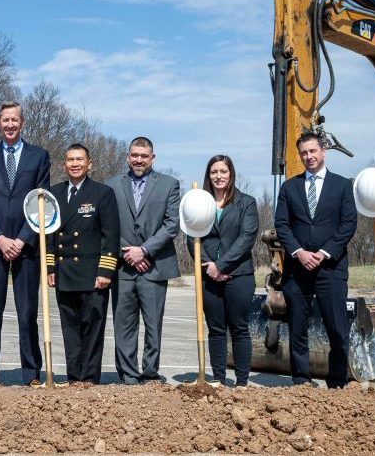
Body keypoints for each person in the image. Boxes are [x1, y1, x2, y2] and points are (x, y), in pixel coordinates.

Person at [0, 101, 51, 385]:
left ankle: (30, 372)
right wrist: (0, 237)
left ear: (22, 123)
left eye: (14, 120)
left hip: (26, 246)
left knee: (27, 314)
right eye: (5, 120)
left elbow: (41, 202)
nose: (9, 125)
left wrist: (21, 239)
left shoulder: (39, 156)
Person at [274, 132, 357, 388]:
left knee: (337, 330)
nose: (308, 157)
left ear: (323, 152)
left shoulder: (342, 186)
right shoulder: (289, 187)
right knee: (298, 329)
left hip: (330, 268)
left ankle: (336, 382)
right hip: (297, 271)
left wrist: (323, 253)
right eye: (304, 153)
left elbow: (348, 224)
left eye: (312, 151)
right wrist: (299, 252)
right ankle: (301, 380)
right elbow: (282, 224)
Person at [105, 136, 181, 384]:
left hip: (155, 267)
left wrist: (145, 250)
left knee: (152, 325)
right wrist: (129, 252)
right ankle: (127, 374)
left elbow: (171, 226)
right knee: (123, 325)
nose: (138, 160)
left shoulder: (169, 185)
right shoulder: (112, 185)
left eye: (144, 156)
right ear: (127, 157)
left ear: (152, 158)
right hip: (123, 267)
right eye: (134, 155)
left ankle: (149, 373)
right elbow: (107, 226)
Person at [46, 144, 120, 384]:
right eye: (70, 160)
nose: (74, 164)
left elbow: (111, 235)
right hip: (64, 273)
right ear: (63, 164)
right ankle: (73, 377)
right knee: (70, 330)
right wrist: (50, 267)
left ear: (90, 164)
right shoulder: (53, 194)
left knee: (92, 329)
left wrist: (106, 270)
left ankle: (89, 378)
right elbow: (47, 234)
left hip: (92, 274)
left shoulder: (102, 193)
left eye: (79, 160)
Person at [187, 155, 258, 387]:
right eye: (214, 172)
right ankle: (218, 379)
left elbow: (247, 238)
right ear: (208, 175)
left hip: (239, 275)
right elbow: (191, 237)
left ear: (231, 174)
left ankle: (241, 382)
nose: (218, 176)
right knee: (216, 329)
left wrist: (222, 265)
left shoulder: (246, 203)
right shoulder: (200, 202)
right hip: (209, 276)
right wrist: (209, 267)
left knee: (238, 328)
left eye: (223, 172)